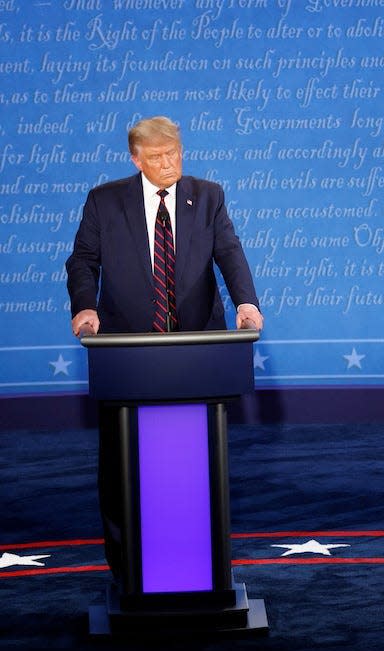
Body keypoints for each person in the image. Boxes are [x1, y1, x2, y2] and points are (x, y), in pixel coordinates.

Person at [65, 115, 263, 588]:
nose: (167, 163)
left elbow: (230, 253)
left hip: (196, 350)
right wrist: (85, 310)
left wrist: (247, 303)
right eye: (155, 157)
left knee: (198, 461)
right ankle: (126, 569)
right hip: (127, 351)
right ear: (135, 159)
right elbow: (83, 261)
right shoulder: (105, 201)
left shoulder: (207, 195)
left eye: (173, 153)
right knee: (120, 464)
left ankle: (207, 566)